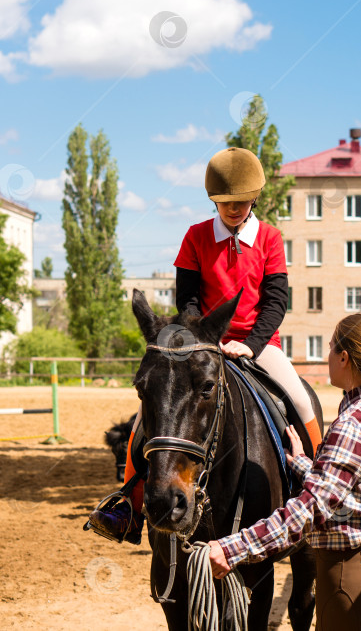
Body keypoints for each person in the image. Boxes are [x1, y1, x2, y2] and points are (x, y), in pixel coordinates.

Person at [87, 146, 322, 544]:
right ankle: (128, 507)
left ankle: (318, 496)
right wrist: (203, 337)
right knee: (146, 422)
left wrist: (250, 344)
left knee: (300, 402)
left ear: (255, 198)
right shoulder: (196, 236)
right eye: (225, 202)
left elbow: (276, 301)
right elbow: (189, 299)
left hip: (257, 344)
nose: (233, 209)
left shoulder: (270, 238)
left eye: (241, 202)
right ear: (214, 199)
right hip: (202, 343)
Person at [209, 313, 361, 631]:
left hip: (347, 574)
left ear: (344, 358)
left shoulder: (352, 425)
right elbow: (355, 491)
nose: (327, 354)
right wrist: (305, 464)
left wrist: (232, 548)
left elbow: (307, 511)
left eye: (331, 347)